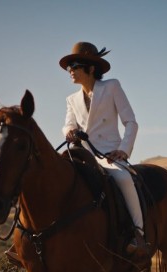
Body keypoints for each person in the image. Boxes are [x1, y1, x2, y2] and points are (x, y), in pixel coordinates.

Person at [59, 41, 145, 256]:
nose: (70, 71)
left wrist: (124, 150)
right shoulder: (71, 99)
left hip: (110, 153)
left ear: (90, 68)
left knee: (124, 179)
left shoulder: (112, 87)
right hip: (82, 153)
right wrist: (69, 131)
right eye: (69, 68)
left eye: (74, 66)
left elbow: (131, 122)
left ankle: (138, 234)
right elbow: (68, 123)